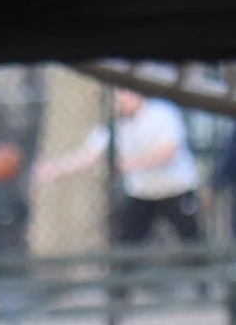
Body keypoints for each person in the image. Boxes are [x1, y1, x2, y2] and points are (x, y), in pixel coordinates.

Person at [34, 86, 203, 245]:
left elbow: (166, 152)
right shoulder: (114, 125)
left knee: (191, 240)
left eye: (126, 94)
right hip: (143, 194)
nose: (122, 100)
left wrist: (132, 164)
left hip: (176, 189)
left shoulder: (161, 113)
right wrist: (55, 169)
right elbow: (88, 155)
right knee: (128, 243)